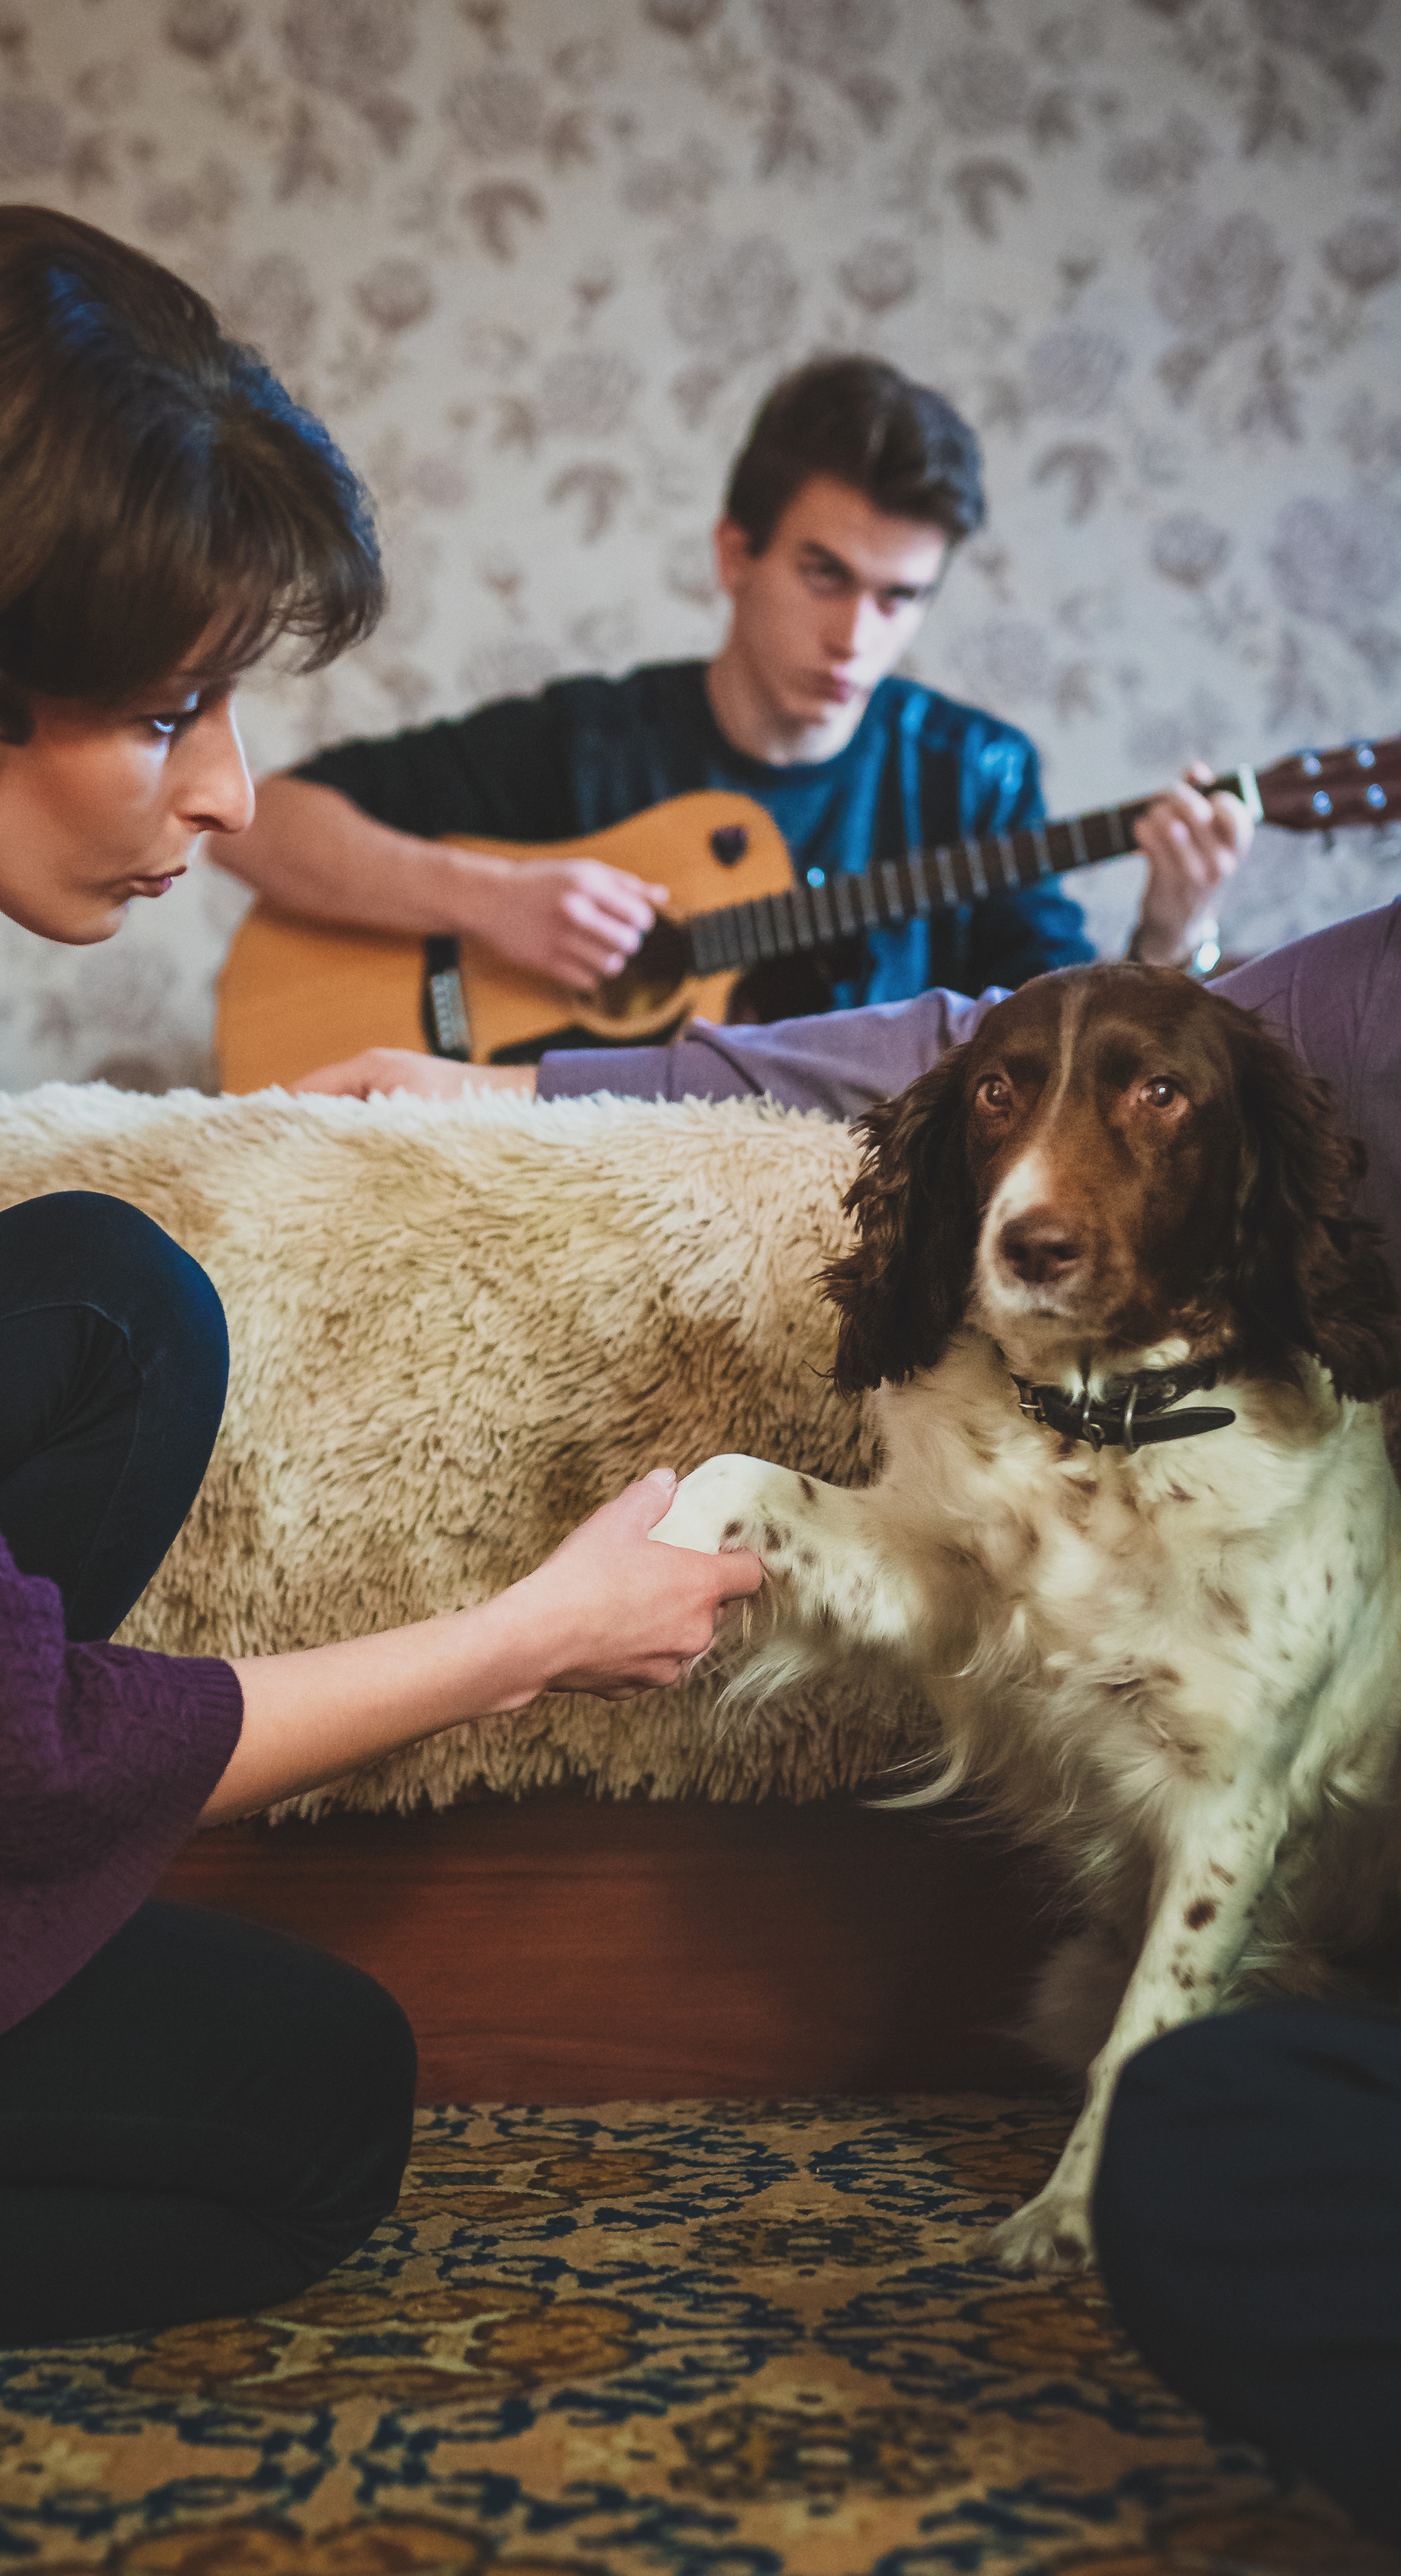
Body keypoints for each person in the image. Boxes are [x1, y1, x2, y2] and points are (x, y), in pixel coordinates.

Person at [0, 205, 763, 2367]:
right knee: (314, 2106)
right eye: (173, 709)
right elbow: (24, 1757)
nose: (232, 791)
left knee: (98, 1300)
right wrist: (537, 1634)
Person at [318, 904, 1401, 2544]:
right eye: (1009, 1115)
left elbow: (1226, 1817)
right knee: (1132, 2057)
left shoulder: (1305, 1469)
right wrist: (521, 1083)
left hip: (1326, 1918)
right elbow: (971, 1041)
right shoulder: (1357, 981)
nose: (1046, 1193)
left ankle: (1157, 2140)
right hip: (1181, 1947)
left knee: (1177, 2137)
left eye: (1147, 1107)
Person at [211, 356, 1247, 1031]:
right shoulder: (596, 741)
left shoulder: (974, 777)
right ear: (734, 553)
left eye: (901, 598)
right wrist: (490, 902)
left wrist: (1168, 940)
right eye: (824, 574)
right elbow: (258, 829)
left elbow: (1060, 1041)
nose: (855, 636)